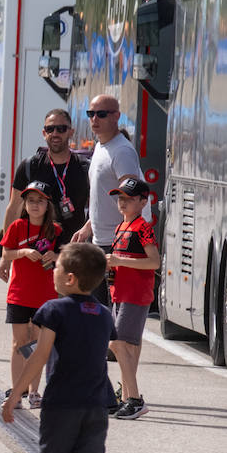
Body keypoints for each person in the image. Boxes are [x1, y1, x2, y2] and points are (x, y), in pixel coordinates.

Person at [3, 242, 115, 453]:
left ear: (68, 278)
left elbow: (39, 357)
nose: (51, 273)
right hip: (95, 407)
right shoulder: (105, 315)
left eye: (56, 268)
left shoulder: (54, 310)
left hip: (61, 405)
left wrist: (14, 396)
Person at [71, 94, 144, 305]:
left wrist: (125, 242)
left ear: (116, 116)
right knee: (98, 313)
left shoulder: (121, 151)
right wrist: (88, 227)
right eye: (91, 114)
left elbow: (132, 198)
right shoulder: (101, 147)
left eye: (101, 114)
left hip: (118, 245)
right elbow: (101, 197)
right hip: (100, 243)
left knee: (115, 313)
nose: (95, 119)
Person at [0, 182, 61, 408]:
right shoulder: (17, 226)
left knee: (35, 343)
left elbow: (64, 256)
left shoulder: (55, 230)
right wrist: (24, 252)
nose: (35, 206)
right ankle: (17, 391)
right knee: (19, 342)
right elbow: (6, 252)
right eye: (31, 201)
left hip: (44, 296)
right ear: (24, 204)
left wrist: (54, 256)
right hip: (19, 294)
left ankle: (34, 392)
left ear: (48, 205)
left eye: (40, 201)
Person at [0, 108, 89, 256]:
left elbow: (95, 208)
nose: (55, 133)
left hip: (73, 253)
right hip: (35, 253)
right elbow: (14, 207)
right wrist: (6, 252)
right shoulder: (30, 166)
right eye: (50, 129)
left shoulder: (85, 167)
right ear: (44, 133)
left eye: (61, 129)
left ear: (70, 132)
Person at [106, 176, 159, 420]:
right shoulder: (120, 227)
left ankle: (135, 399)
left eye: (129, 198)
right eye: (120, 198)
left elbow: (154, 262)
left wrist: (119, 261)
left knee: (117, 344)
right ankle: (127, 397)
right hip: (120, 293)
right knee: (128, 347)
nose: (122, 202)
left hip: (135, 295)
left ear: (142, 202)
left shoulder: (142, 227)